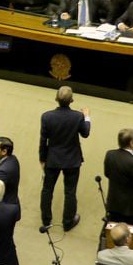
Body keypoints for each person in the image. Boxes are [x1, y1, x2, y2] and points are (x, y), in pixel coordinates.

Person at [39, 86, 90, 232]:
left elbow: (43, 141)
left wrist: (42, 158)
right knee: (70, 191)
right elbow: (85, 133)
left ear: (56, 98)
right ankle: (68, 222)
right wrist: (87, 116)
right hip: (72, 159)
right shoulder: (77, 117)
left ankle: (46, 221)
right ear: (72, 100)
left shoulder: (46, 116)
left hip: (52, 158)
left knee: (47, 190)